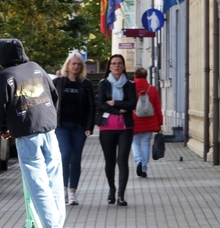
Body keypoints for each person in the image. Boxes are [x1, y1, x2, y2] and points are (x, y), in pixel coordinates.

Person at [0, 38, 65, 228]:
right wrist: (50, 118)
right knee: (54, 176)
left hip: (26, 131)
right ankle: (58, 223)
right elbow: (54, 94)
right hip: (49, 129)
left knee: (37, 180)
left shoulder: (4, 76)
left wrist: (3, 128)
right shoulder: (36, 68)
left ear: (1, 56)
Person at [53, 51, 95, 205]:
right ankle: (63, 189)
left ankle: (73, 193)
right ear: (68, 66)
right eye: (73, 64)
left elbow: (91, 106)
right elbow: (49, 104)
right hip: (61, 126)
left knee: (76, 158)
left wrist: (89, 126)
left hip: (79, 127)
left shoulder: (86, 84)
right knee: (64, 155)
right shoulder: (58, 82)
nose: (76, 66)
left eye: (79, 64)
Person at [95, 54, 137, 206]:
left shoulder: (130, 84)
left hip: (126, 127)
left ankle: (121, 195)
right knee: (110, 160)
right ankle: (112, 189)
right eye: (114, 63)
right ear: (110, 67)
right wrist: (119, 109)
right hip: (107, 127)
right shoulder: (103, 83)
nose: (117, 66)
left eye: (119, 63)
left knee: (123, 160)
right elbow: (101, 104)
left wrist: (115, 103)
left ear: (124, 66)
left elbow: (132, 103)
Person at [131, 67, 163, 178]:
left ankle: (138, 161)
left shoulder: (131, 87)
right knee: (146, 143)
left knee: (134, 142)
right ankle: (144, 169)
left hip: (135, 119)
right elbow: (158, 107)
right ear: (146, 76)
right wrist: (160, 122)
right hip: (150, 120)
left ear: (135, 76)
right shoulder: (152, 89)